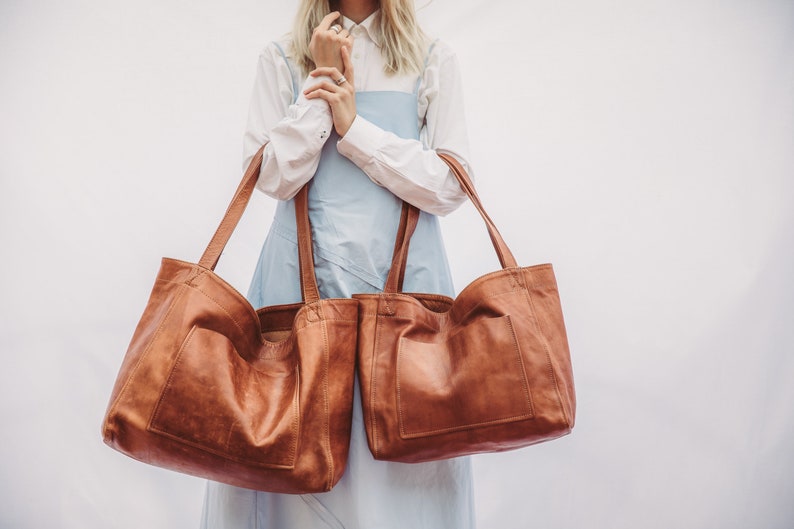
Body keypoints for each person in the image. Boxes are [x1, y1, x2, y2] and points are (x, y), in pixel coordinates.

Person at [200, 0, 475, 527]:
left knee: (405, 456)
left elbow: (450, 183)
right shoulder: (282, 57)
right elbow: (273, 178)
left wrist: (356, 130)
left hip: (405, 291)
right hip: (299, 289)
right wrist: (322, 83)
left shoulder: (431, 58)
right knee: (289, 454)